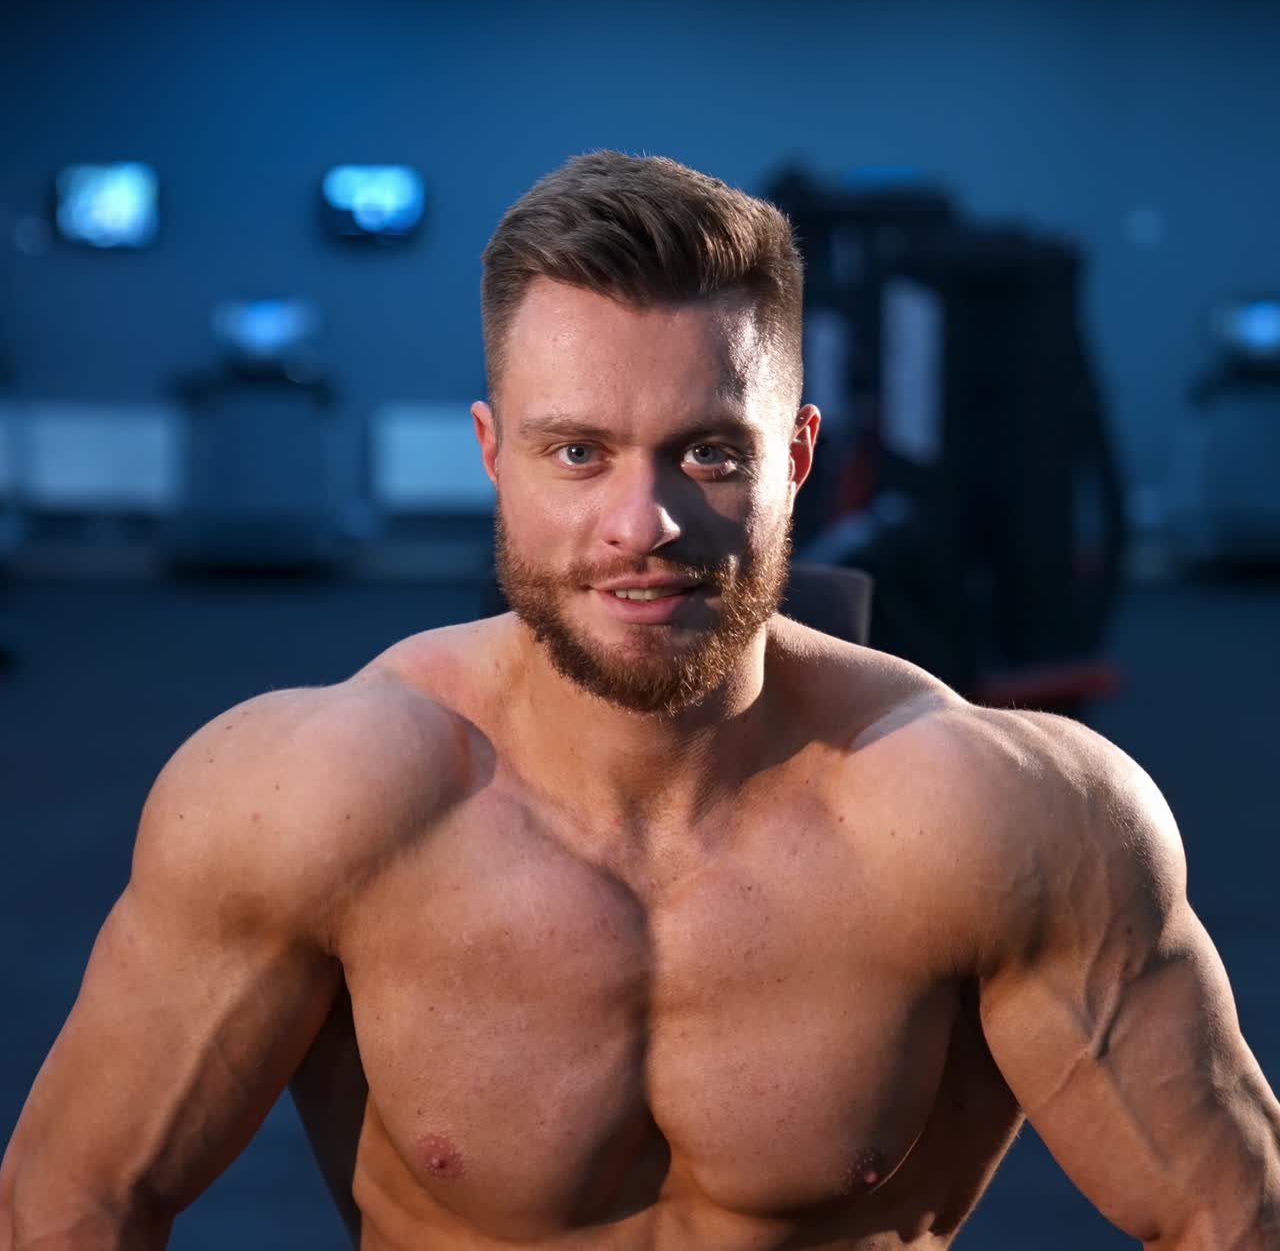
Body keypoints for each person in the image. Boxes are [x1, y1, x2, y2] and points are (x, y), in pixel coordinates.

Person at [3, 151, 1278, 1251]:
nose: (644, 523)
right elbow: (76, 1195)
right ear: (493, 455)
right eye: (578, 452)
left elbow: (1231, 1210)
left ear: (796, 457)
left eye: (708, 451)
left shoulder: (1005, 818)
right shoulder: (309, 797)